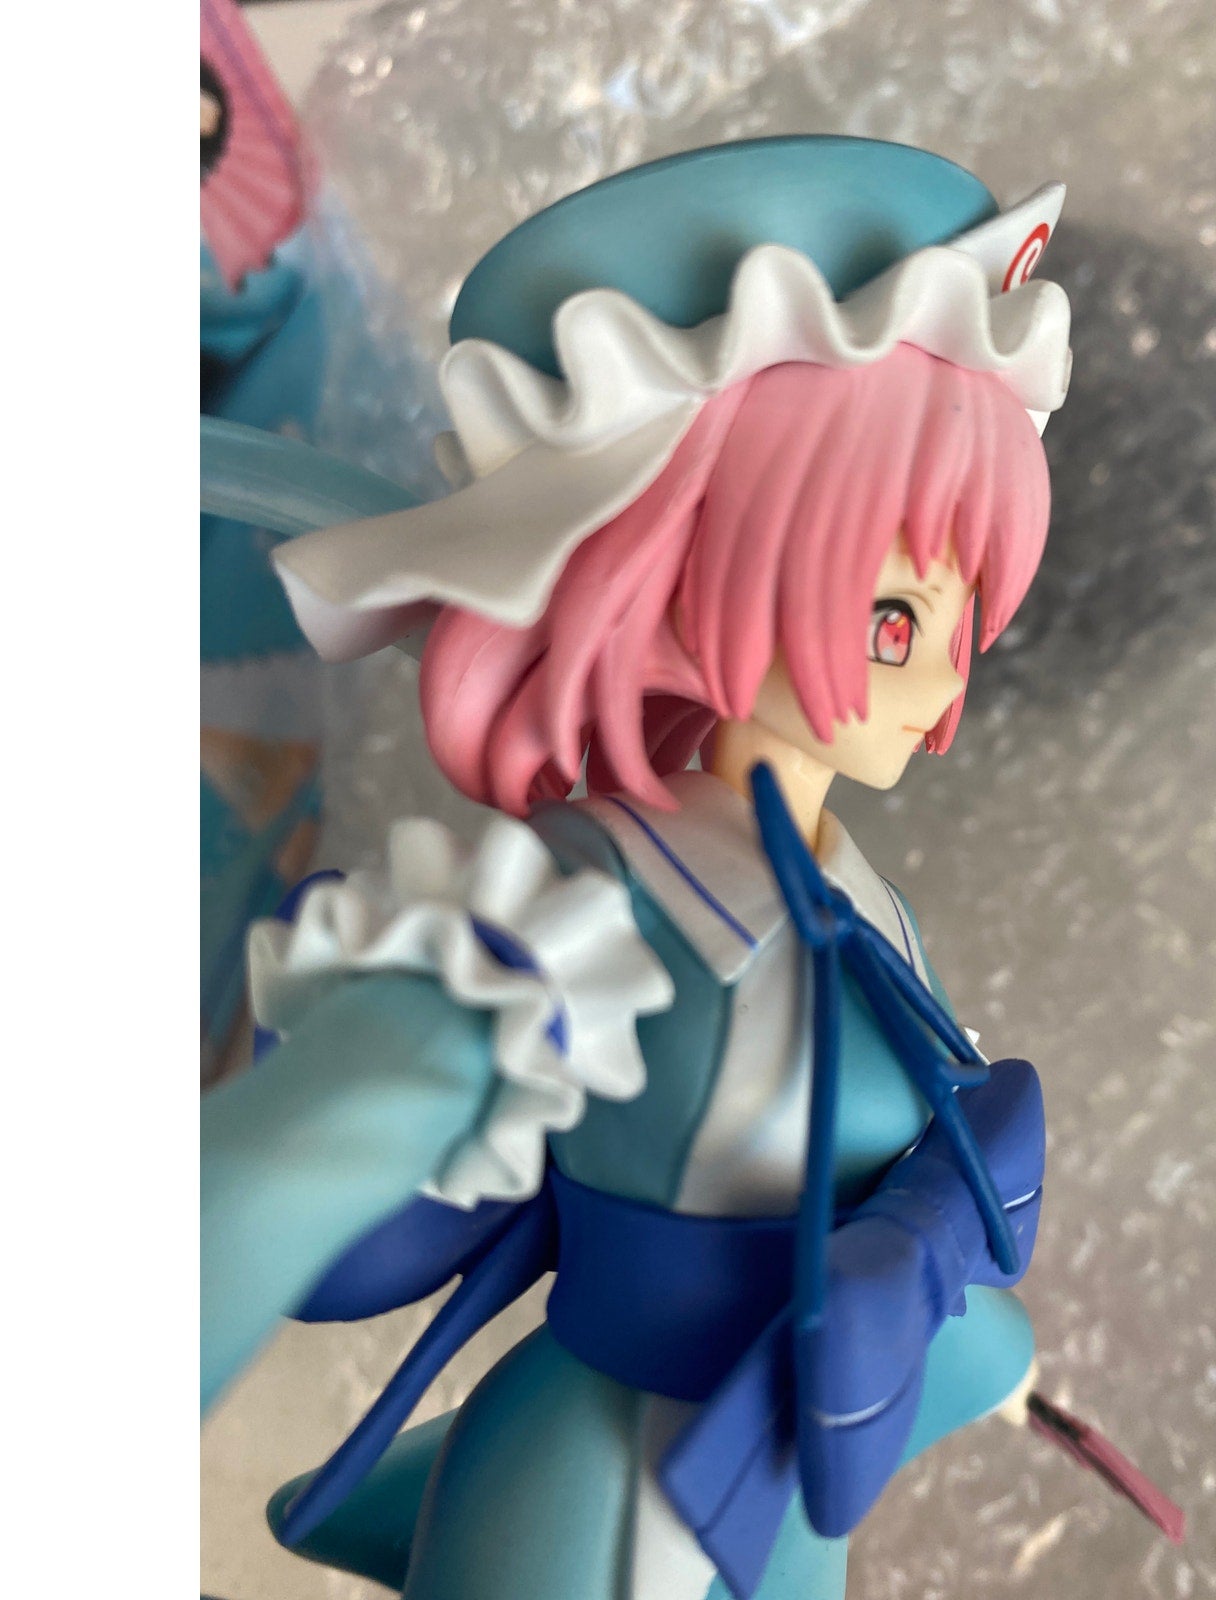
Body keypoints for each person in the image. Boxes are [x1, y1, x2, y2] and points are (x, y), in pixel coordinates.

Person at [202, 136, 1074, 1600]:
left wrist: (976, 1336)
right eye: (888, 620)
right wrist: (374, 1076)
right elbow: (290, 1184)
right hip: (602, 1493)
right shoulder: (597, 901)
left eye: (959, 617)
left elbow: (904, 1201)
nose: (936, 678)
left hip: (786, 1489)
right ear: (691, 575)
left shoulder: (865, 901)